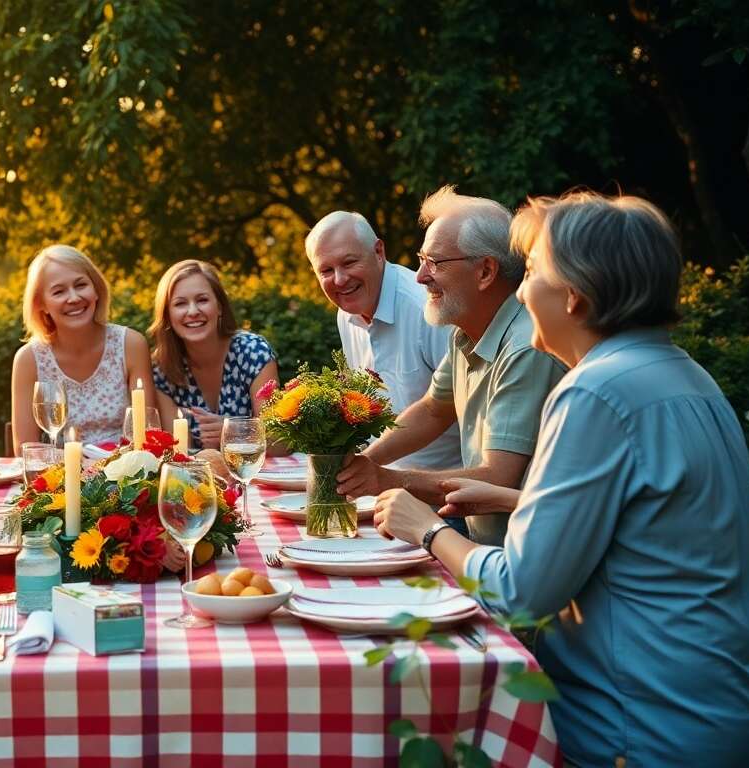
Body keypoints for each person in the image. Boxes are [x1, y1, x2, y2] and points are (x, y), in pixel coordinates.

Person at [372, 192, 749, 766]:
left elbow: (522, 591)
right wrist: (515, 499)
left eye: (531, 272)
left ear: (575, 295)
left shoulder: (593, 392)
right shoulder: (691, 378)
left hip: (636, 728)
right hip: (718, 712)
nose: (520, 291)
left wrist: (428, 530)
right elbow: (648, 528)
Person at [335, 186, 566, 545]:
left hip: (517, 552)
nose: (419, 276)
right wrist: (364, 462)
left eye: (435, 262)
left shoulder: (525, 348)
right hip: (483, 543)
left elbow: (498, 478)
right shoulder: (468, 330)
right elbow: (432, 409)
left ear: (485, 271)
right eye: (421, 259)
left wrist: (387, 480)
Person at [306, 211, 462, 471]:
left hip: (442, 484)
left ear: (379, 252)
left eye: (349, 262)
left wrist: (365, 463)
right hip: (377, 478)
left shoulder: (426, 309)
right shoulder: (346, 314)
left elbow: (449, 406)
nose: (340, 279)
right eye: (326, 270)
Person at [10, 244, 153, 447]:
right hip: (60, 467)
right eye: (59, 291)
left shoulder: (131, 345)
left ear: (96, 290)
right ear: (41, 304)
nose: (74, 298)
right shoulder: (28, 359)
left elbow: (148, 434)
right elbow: (25, 448)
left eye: (81, 285)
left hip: (124, 466)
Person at [149, 259, 280, 451]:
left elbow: (280, 442)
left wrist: (233, 434)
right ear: (167, 315)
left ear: (219, 306)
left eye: (202, 300)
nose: (193, 311)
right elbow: (179, 451)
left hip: (254, 469)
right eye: (180, 303)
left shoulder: (254, 352)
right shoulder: (162, 369)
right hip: (198, 470)